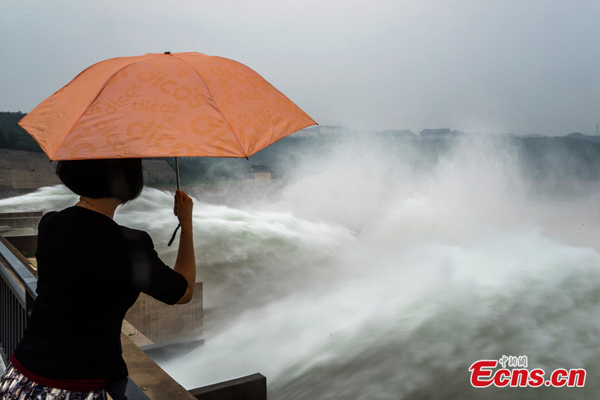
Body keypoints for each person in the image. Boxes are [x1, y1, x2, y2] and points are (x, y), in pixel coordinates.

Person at [0, 158, 195, 400]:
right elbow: (183, 292)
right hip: (73, 388)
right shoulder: (128, 244)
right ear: (126, 182)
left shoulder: (51, 223)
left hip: (19, 377)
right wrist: (186, 225)